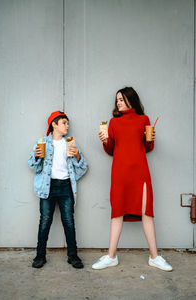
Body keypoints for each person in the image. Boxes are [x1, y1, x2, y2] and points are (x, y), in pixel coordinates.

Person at [92, 87, 172, 271]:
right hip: (120, 174)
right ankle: (111, 256)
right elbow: (111, 149)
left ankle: (155, 257)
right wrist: (105, 140)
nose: (118, 102)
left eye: (121, 99)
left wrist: (150, 139)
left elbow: (148, 147)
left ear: (130, 99)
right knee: (117, 213)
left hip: (140, 173)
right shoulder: (113, 122)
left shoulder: (144, 120)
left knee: (147, 213)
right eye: (117, 100)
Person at [28, 111, 88, 269]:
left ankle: (72, 256)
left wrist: (77, 157)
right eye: (64, 123)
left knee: (68, 222)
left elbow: (83, 169)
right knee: (45, 222)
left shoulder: (70, 143)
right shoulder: (42, 142)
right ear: (54, 125)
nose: (67, 126)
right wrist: (36, 156)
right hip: (48, 187)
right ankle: (40, 256)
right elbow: (33, 166)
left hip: (66, 186)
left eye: (68, 123)